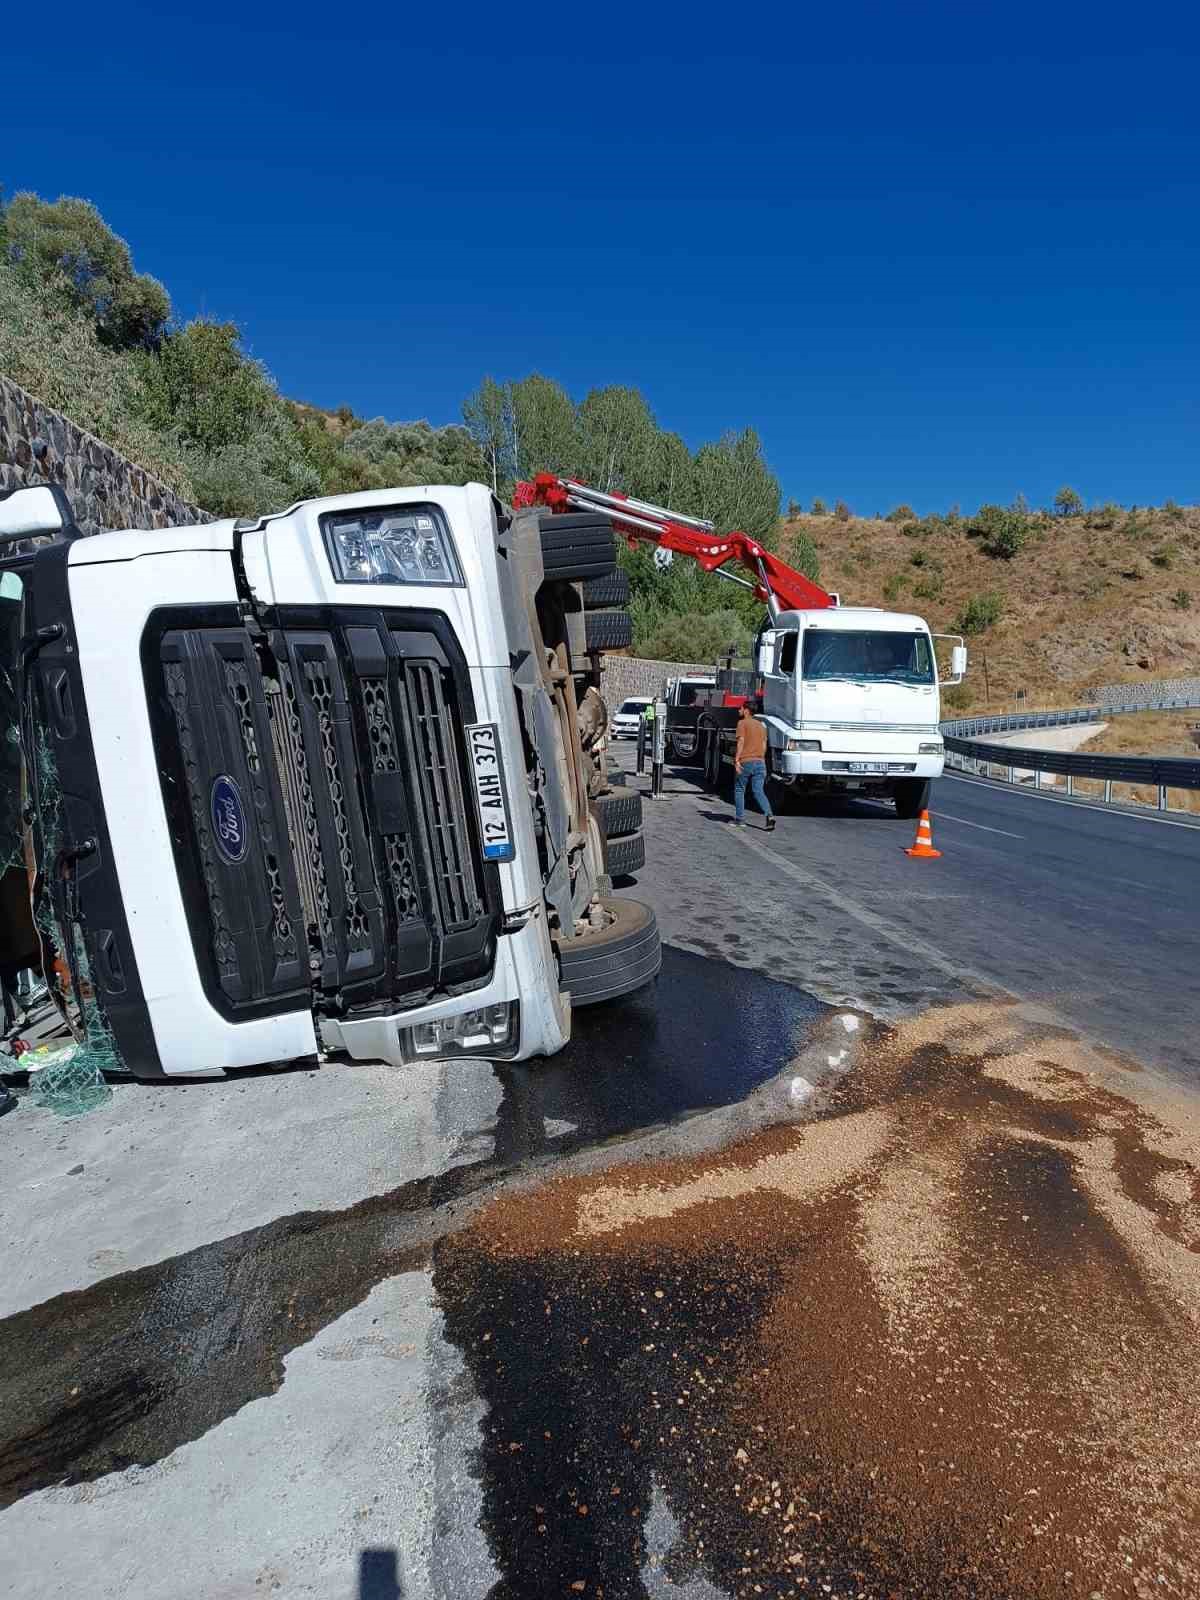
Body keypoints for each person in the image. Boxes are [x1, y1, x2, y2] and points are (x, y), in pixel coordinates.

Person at [733, 703, 775, 830]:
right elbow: (764, 745)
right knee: (759, 791)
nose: (739, 710)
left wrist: (737, 760)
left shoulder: (742, 723)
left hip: (746, 761)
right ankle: (769, 816)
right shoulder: (761, 726)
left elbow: (741, 741)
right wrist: (761, 758)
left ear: (746, 711)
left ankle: (740, 819)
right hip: (760, 762)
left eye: (740, 708)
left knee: (739, 789)